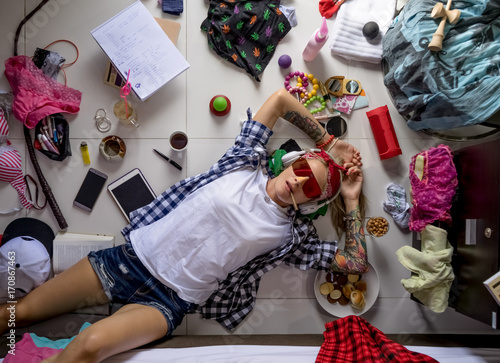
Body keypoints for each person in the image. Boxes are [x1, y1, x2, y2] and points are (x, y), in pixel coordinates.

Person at [0, 88, 367, 363]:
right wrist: (329, 142)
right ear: (290, 162)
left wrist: (350, 200)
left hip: (168, 302)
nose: (301, 182)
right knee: (22, 312)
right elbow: (281, 100)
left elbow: (353, 264)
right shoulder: (243, 162)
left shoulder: (291, 236)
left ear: (313, 202)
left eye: (313, 187)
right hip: (127, 261)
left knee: (88, 347)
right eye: (302, 170)